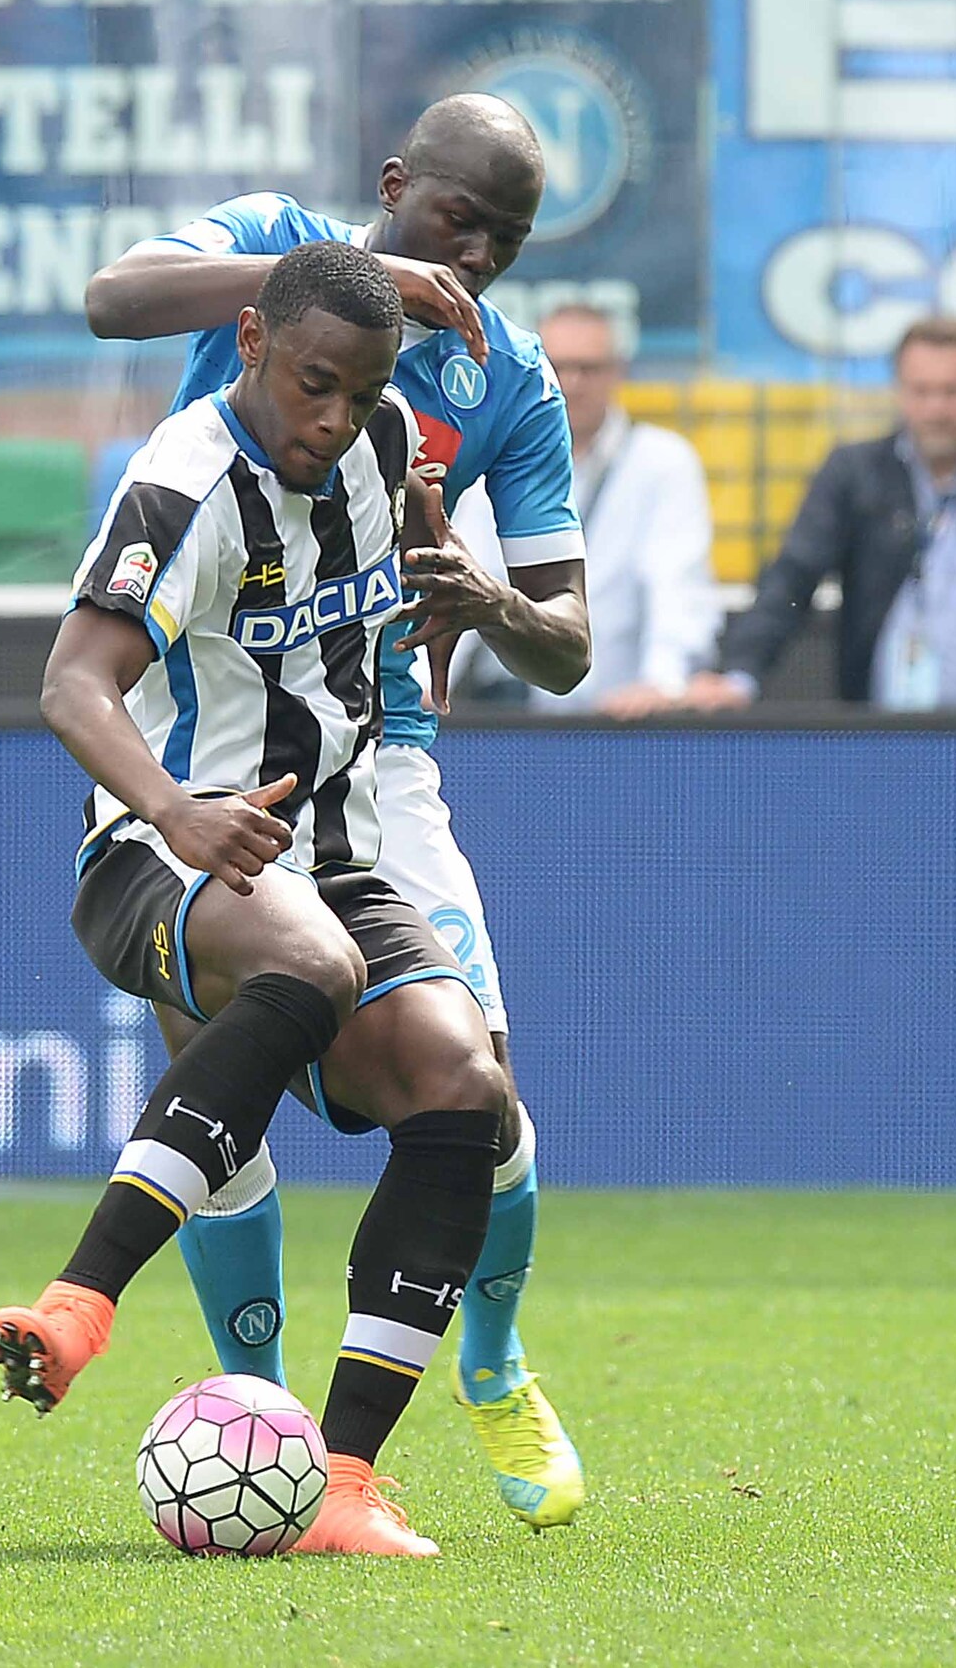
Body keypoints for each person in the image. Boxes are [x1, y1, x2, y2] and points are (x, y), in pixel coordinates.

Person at [81, 95, 590, 1529]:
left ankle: (491, 1356)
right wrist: (352, 282)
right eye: (458, 221)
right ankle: (272, 1422)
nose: (475, 256)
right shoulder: (273, 246)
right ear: (395, 183)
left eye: (505, 240)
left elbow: (568, 642)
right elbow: (114, 299)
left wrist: (487, 600)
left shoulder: (509, 379)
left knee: (477, 1091)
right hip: (200, 733)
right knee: (221, 1069)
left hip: (380, 758)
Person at [0, 242, 525, 1558]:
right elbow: (72, 684)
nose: (332, 417)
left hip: (337, 856)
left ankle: (341, 1482)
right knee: (310, 961)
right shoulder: (183, 481)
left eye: (360, 392)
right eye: (310, 383)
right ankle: (80, 1302)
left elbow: (392, 596)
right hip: (161, 849)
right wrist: (176, 809)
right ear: (249, 343)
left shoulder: (383, 445)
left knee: (467, 1089)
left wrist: (442, 572)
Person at [686, 315, 956, 717]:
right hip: (880, 730)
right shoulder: (854, 473)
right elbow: (794, 576)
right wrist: (739, 674)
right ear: (899, 390)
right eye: (921, 391)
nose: (936, 408)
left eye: (952, 391)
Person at [450, 304, 719, 717]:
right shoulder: (494, 455)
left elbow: (677, 584)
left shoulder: (662, 462)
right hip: (503, 709)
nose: (572, 384)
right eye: (559, 367)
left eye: (588, 369)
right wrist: (425, 686)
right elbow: (466, 570)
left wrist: (661, 683)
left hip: (616, 716)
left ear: (618, 372)